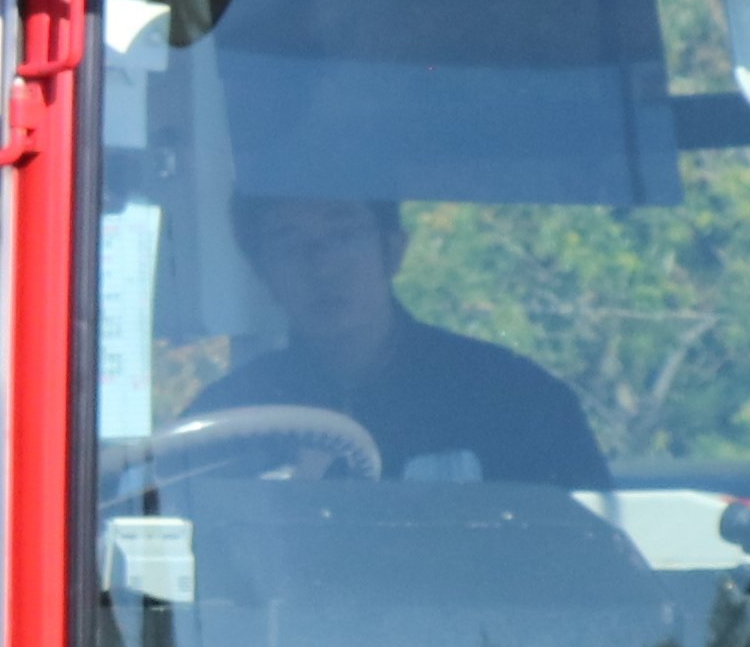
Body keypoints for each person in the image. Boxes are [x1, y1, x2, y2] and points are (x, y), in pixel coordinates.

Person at [201, 196, 610, 489]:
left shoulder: (516, 401)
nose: (322, 265)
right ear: (262, 275)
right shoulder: (227, 420)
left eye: (343, 235)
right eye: (289, 244)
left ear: (393, 250)